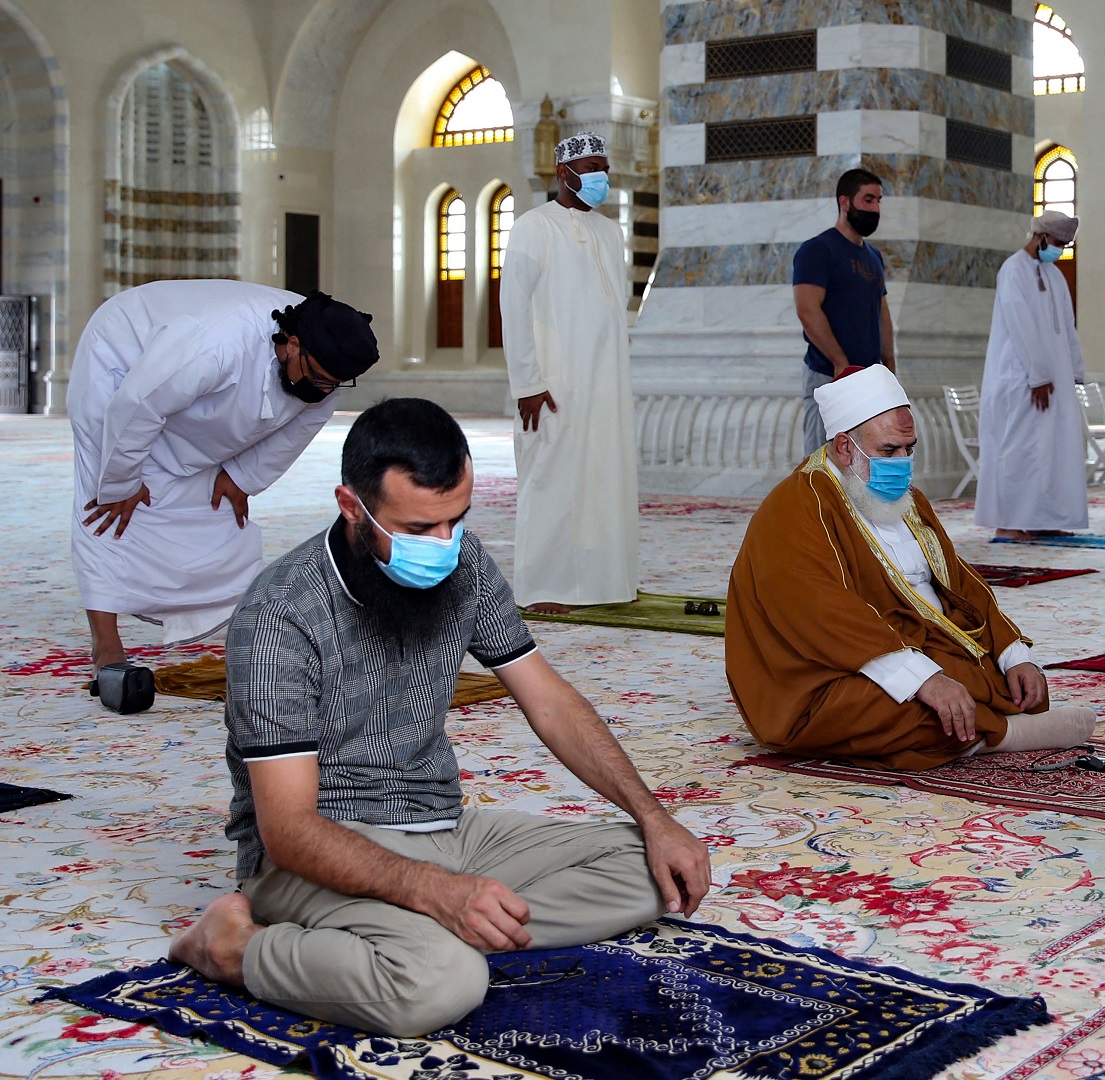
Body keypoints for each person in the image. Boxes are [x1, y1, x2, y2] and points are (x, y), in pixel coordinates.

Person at [166, 398, 711, 1038]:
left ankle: (427, 928)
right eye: (419, 529)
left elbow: (549, 699)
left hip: (444, 826)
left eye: (457, 520)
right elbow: (287, 829)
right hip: (317, 848)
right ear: (352, 507)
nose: (444, 544)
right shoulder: (281, 611)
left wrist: (654, 817)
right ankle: (234, 948)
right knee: (440, 984)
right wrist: (431, 890)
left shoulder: (463, 561)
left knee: (653, 871)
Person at [726, 366, 1096, 771]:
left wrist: (1013, 654)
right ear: (845, 447)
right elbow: (822, 614)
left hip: (923, 643)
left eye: (909, 449)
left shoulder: (907, 499)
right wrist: (924, 680)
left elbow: (958, 582)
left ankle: (981, 724)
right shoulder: (797, 506)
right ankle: (1006, 735)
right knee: (895, 707)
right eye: (889, 452)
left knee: (1010, 684)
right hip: (819, 670)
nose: (902, 463)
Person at [67, 283, 379, 699]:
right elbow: (139, 404)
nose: (323, 390)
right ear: (291, 344)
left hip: (191, 406)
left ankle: (249, 639)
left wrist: (243, 477)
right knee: (108, 509)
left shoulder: (324, 365)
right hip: (123, 364)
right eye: (319, 378)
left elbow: (300, 428)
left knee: (218, 512)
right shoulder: (214, 344)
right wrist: (121, 480)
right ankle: (106, 646)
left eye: (334, 384)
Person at [501, 130, 639, 615]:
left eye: (605, 168)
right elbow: (513, 307)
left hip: (607, 381)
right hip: (553, 382)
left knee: (606, 475)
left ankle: (607, 581)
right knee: (550, 479)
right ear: (564, 173)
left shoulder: (610, 231)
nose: (601, 176)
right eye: (591, 168)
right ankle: (544, 587)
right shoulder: (533, 227)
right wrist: (527, 382)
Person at [975, 210, 1088, 540]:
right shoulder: (1013, 270)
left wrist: (1074, 373)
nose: (1061, 249)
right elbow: (1020, 326)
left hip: (1055, 383)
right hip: (1021, 380)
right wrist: (1038, 376)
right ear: (1040, 236)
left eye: (1066, 245)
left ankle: (1042, 519)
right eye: (1058, 242)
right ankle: (1008, 524)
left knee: (1051, 451)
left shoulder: (1053, 275)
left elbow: (1066, 328)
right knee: (1020, 449)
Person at [793, 167, 894, 453]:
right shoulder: (818, 250)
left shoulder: (874, 256)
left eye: (878, 201)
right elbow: (807, 310)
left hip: (867, 379)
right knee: (823, 462)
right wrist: (840, 362)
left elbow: (881, 311)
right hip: (829, 375)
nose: (875, 208)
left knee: (861, 464)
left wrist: (889, 362)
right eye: (868, 199)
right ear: (845, 202)